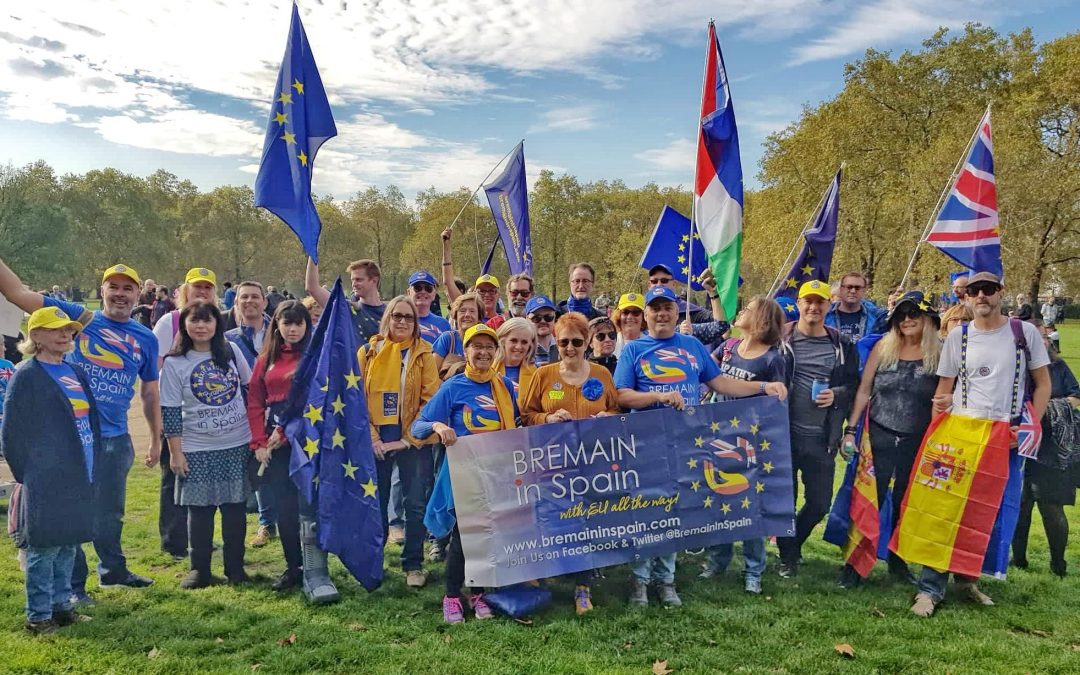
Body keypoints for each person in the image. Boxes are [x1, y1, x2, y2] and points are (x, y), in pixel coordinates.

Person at [614, 286, 788, 607]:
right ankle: (639, 581)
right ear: (646, 315)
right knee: (645, 512)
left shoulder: (692, 345)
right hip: (646, 444)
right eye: (655, 309)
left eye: (668, 308)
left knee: (672, 512)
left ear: (677, 313)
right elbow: (622, 395)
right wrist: (657, 397)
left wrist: (764, 385)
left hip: (685, 443)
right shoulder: (634, 349)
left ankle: (665, 580)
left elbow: (720, 383)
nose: (662, 314)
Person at [0, 260, 161, 598]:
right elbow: (17, 293)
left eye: (127, 288)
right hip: (71, 441)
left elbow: (149, 391)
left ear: (137, 294)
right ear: (102, 290)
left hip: (116, 439)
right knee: (71, 512)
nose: (120, 294)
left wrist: (155, 439)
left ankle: (113, 571)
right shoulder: (77, 319)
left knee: (110, 513)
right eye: (112, 287)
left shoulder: (145, 337)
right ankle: (74, 587)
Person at [918, 271, 1051, 617]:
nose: (981, 296)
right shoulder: (958, 336)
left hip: (1003, 436)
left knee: (987, 511)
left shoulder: (1025, 333)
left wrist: (1025, 427)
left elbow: (1043, 385)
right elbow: (943, 390)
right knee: (944, 510)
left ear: (1000, 293)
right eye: (974, 290)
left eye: (988, 290)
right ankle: (929, 588)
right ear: (965, 297)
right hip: (961, 434)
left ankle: (967, 581)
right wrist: (936, 432)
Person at [411, 324, 519, 624]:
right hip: (463, 474)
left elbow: (516, 423)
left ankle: (477, 592)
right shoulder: (453, 387)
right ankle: (451, 596)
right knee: (464, 536)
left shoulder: (504, 386)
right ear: (467, 351)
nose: (483, 352)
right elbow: (417, 426)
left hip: (496, 474)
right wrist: (438, 426)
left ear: (495, 351)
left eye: (489, 346)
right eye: (476, 346)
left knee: (485, 537)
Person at [3, 307, 101, 633]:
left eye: (69, 329)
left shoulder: (74, 370)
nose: (65, 334)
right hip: (45, 477)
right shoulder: (26, 375)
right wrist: (28, 475)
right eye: (56, 329)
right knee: (43, 549)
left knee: (69, 543)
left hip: (80, 470)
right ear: (36, 336)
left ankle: (63, 606)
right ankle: (39, 616)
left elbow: (89, 420)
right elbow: (12, 433)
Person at [520, 312, 621, 614]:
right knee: (549, 516)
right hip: (552, 461)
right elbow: (526, 414)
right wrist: (548, 418)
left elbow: (616, 408)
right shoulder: (543, 374)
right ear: (556, 341)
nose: (570, 348)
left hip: (592, 462)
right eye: (564, 342)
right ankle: (544, 572)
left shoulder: (602, 375)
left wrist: (608, 417)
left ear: (588, 342)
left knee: (586, 521)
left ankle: (583, 586)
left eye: (577, 341)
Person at [838, 291, 941, 588]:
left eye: (914, 314)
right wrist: (850, 430)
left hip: (918, 439)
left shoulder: (940, 353)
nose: (907, 320)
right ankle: (854, 565)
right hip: (879, 435)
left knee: (906, 501)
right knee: (868, 499)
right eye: (901, 315)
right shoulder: (884, 348)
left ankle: (898, 560)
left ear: (927, 319)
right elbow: (863, 390)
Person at [247, 301, 336, 600]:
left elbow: (316, 402)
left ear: (307, 326)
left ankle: (316, 568)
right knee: (284, 508)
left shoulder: (315, 359)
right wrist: (259, 441)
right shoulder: (265, 359)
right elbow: (256, 400)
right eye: (287, 323)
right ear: (278, 326)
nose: (293, 328)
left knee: (309, 506)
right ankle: (293, 566)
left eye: (299, 323)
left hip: (307, 440)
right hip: (273, 444)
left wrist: (288, 431)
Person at [160, 301, 253, 588]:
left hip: (236, 443)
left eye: (207, 320)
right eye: (194, 320)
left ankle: (235, 569)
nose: (201, 326)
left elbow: (249, 390)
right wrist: (176, 453)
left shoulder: (232, 352)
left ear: (217, 324)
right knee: (199, 511)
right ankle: (200, 569)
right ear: (185, 325)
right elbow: (171, 410)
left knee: (235, 509)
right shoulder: (175, 363)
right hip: (196, 447)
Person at [701, 296, 787, 594]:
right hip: (717, 435)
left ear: (761, 319)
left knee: (750, 507)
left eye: (747, 309)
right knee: (719, 499)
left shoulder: (773, 358)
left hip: (751, 443)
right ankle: (718, 560)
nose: (740, 312)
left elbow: (776, 403)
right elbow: (706, 374)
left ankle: (754, 569)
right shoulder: (727, 348)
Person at [776, 280, 859, 578]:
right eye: (807, 301)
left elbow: (854, 386)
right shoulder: (780, 338)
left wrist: (836, 394)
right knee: (784, 502)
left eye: (820, 302)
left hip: (822, 438)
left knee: (819, 503)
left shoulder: (841, 345)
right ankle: (788, 557)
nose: (813, 307)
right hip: (783, 435)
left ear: (829, 305)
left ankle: (794, 542)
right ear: (798, 304)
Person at [358, 296, 440, 588]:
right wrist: (374, 438)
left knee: (415, 503)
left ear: (416, 323)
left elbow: (430, 403)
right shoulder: (368, 353)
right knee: (374, 504)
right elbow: (357, 399)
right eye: (397, 316)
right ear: (387, 319)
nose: (402, 321)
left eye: (408, 317)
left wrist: (406, 441)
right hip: (376, 441)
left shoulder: (424, 354)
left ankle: (413, 563)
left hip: (412, 441)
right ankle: (372, 561)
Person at [152, 267, 218, 558]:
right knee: (173, 476)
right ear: (185, 291)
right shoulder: (170, 321)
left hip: (207, 416)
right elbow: (156, 368)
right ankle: (174, 539)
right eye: (197, 287)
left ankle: (199, 537)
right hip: (177, 411)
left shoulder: (219, 322)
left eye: (207, 288)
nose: (202, 292)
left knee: (201, 478)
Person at [1010, 327, 1080, 577]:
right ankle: (1018, 559)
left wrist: (1047, 409)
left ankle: (1058, 563)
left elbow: (1076, 395)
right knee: (1019, 504)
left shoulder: (1058, 367)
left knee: (1051, 507)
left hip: (1052, 447)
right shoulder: (1015, 367)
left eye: (1043, 338)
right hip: (1020, 443)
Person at [306, 257, 385, 342]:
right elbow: (312, 288)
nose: (354, 284)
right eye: (352, 280)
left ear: (374, 280)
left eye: (358, 280)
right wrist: (313, 252)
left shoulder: (392, 312)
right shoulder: (346, 309)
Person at [825, 272, 886, 341]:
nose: (853, 291)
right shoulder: (825, 315)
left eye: (857, 288)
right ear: (841, 289)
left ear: (864, 291)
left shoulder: (877, 317)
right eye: (849, 287)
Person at [432, 292, 481, 375]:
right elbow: (431, 374)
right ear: (455, 315)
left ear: (479, 317)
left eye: (472, 311)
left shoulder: (485, 342)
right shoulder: (448, 339)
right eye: (462, 311)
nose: (467, 315)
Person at [224, 281, 270, 363]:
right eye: (244, 297)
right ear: (236, 303)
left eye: (255, 297)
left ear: (265, 302)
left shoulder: (279, 335)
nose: (249, 300)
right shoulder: (227, 339)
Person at [494, 317, 537, 399]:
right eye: (514, 340)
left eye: (524, 342)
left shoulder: (537, 374)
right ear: (503, 341)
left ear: (530, 345)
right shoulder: (488, 370)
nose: (518, 346)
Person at [407, 271, 450, 345]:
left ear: (434, 294)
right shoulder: (399, 320)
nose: (423, 292)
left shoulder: (444, 324)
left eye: (428, 288)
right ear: (408, 292)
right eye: (418, 288)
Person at [526, 295, 559, 366]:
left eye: (548, 317)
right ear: (527, 319)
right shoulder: (523, 349)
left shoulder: (564, 346)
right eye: (536, 318)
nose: (543, 321)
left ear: (554, 318)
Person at [613, 292, 646, 358]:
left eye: (636, 312)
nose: (630, 317)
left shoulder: (651, 344)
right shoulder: (610, 342)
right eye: (625, 312)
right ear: (619, 315)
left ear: (644, 316)